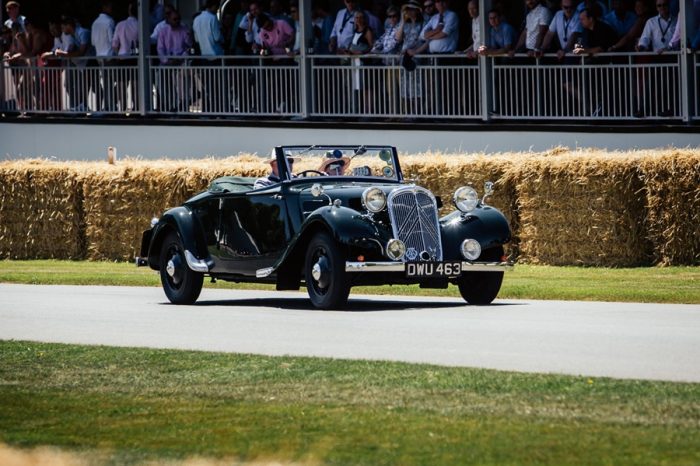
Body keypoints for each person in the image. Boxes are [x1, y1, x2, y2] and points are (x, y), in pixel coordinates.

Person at [157, 8, 192, 112]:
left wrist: (180, 58)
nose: (177, 21)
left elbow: (189, 47)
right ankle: (168, 106)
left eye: (178, 19)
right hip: (166, 63)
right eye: (174, 19)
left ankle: (182, 105)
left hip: (181, 62)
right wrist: (166, 60)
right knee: (163, 84)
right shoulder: (163, 31)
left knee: (182, 84)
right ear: (168, 19)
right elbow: (160, 48)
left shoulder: (184, 30)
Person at [193, 0, 224, 112]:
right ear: (214, 6)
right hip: (216, 55)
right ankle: (219, 109)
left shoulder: (196, 19)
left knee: (208, 86)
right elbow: (217, 37)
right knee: (219, 86)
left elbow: (196, 39)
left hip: (204, 55)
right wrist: (223, 38)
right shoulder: (212, 18)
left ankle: (208, 109)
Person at [396, 0, 425, 114]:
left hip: (416, 56)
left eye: (412, 9)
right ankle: (407, 112)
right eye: (408, 9)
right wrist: (402, 21)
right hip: (405, 56)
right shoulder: (405, 24)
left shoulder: (423, 22)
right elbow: (398, 38)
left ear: (417, 11)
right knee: (405, 85)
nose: (409, 11)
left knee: (417, 86)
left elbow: (425, 40)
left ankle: (417, 112)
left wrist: (416, 51)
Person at [112, 3, 139, 112]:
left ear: (129, 11)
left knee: (121, 85)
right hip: (136, 58)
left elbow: (114, 44)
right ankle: (137, 108)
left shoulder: (120, 25)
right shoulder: (140, 24)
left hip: (122, 57)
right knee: (136, 85)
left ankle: (122, 108)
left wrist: (118, 53)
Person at [91, 0, 115, 112]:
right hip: (109, 56)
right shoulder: (109, 21)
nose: (112, 8)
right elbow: (112, 40)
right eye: (110, 6)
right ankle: (111, 106)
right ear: (105, 7)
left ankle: (108, 105)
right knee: (112, 82)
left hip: (99, 56)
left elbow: (93, 42)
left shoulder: (95, 22)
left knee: (106, 83)